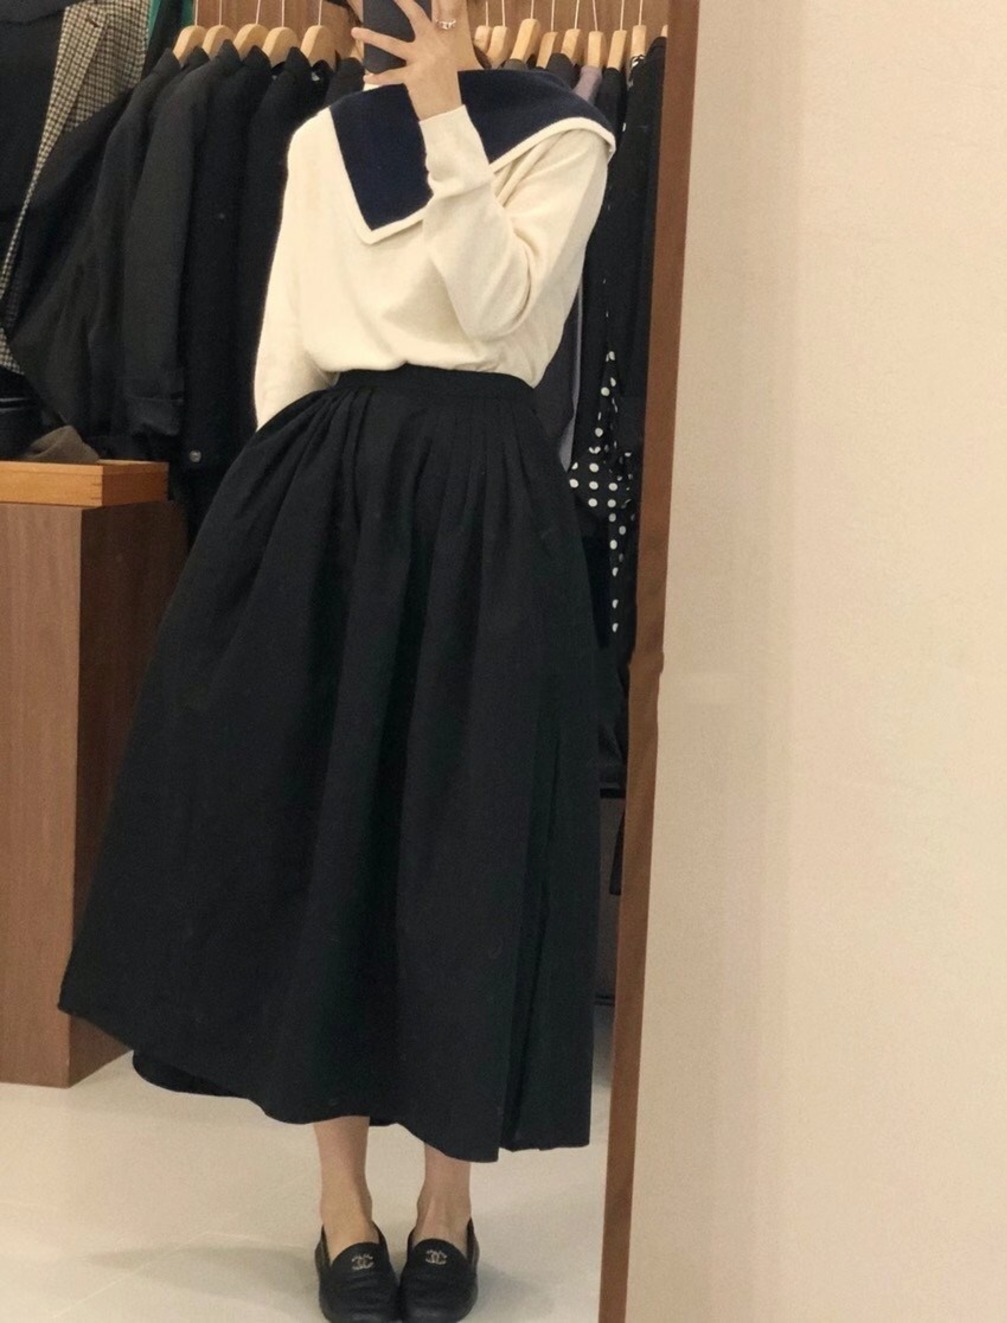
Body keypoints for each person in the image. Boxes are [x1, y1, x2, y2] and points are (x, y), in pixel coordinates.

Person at [56, 2, 615, 1319]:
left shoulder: (565, 140)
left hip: (484, 501)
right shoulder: (322, 139)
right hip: (325, 494)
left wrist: (444, 119)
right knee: (328, 833)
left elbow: (497, 305)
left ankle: (448, 1204)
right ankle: (340, 1203)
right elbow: (291, 346)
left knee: (466, 842)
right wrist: (266, 537)